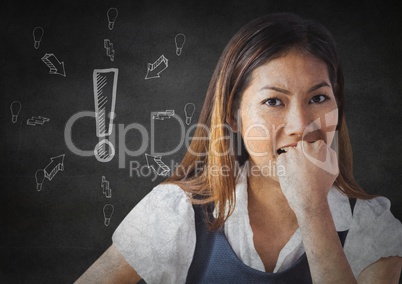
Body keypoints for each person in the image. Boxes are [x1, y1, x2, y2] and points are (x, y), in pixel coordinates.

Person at [76, 12, 402, 283]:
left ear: (337, 104)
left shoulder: (373, 227)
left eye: (318, 98)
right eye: (273, 101)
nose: (301, 126)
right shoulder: (175, 211)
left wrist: (313, 208)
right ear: (233, 115)